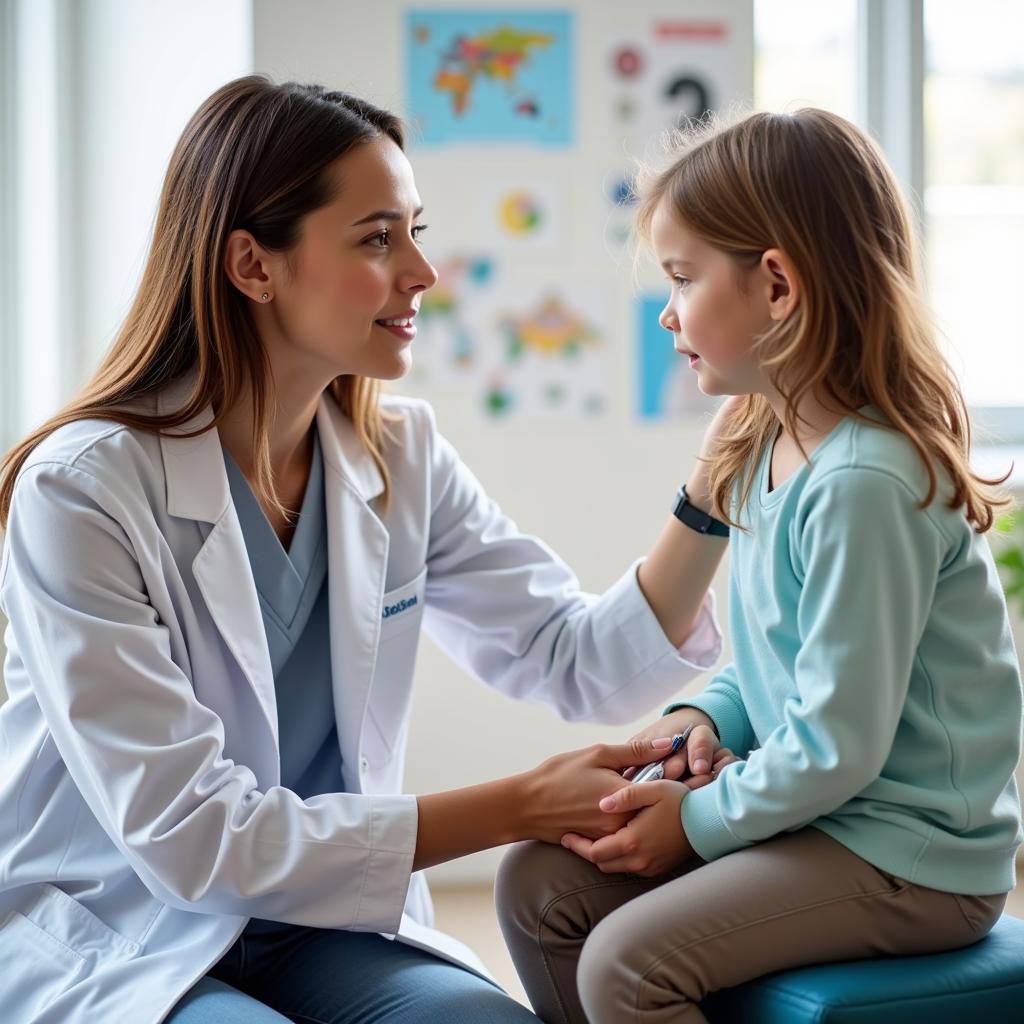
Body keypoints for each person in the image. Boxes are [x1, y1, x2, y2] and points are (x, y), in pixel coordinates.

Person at [0, 76, 733, 1024]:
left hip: (324, 924)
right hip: (128, 928)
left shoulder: (399, 456)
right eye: (377, 238)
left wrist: (715, 488)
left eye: (414, 230)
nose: (423, 272)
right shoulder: (83, 488)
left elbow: (573, 656)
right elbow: (192, 839)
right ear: (252, 265)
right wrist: (522, 803)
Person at [496, 107, 1024, 1024]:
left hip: (911, 856)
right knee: (539, 880)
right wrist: (702, 715)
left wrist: (696, 821)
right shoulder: (770, 449)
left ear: (776, 285)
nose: (666, 311)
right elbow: (780, 664)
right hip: (830, 816)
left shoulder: (867, 482)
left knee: (625, 962)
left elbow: (836, 741)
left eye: (683, 277)